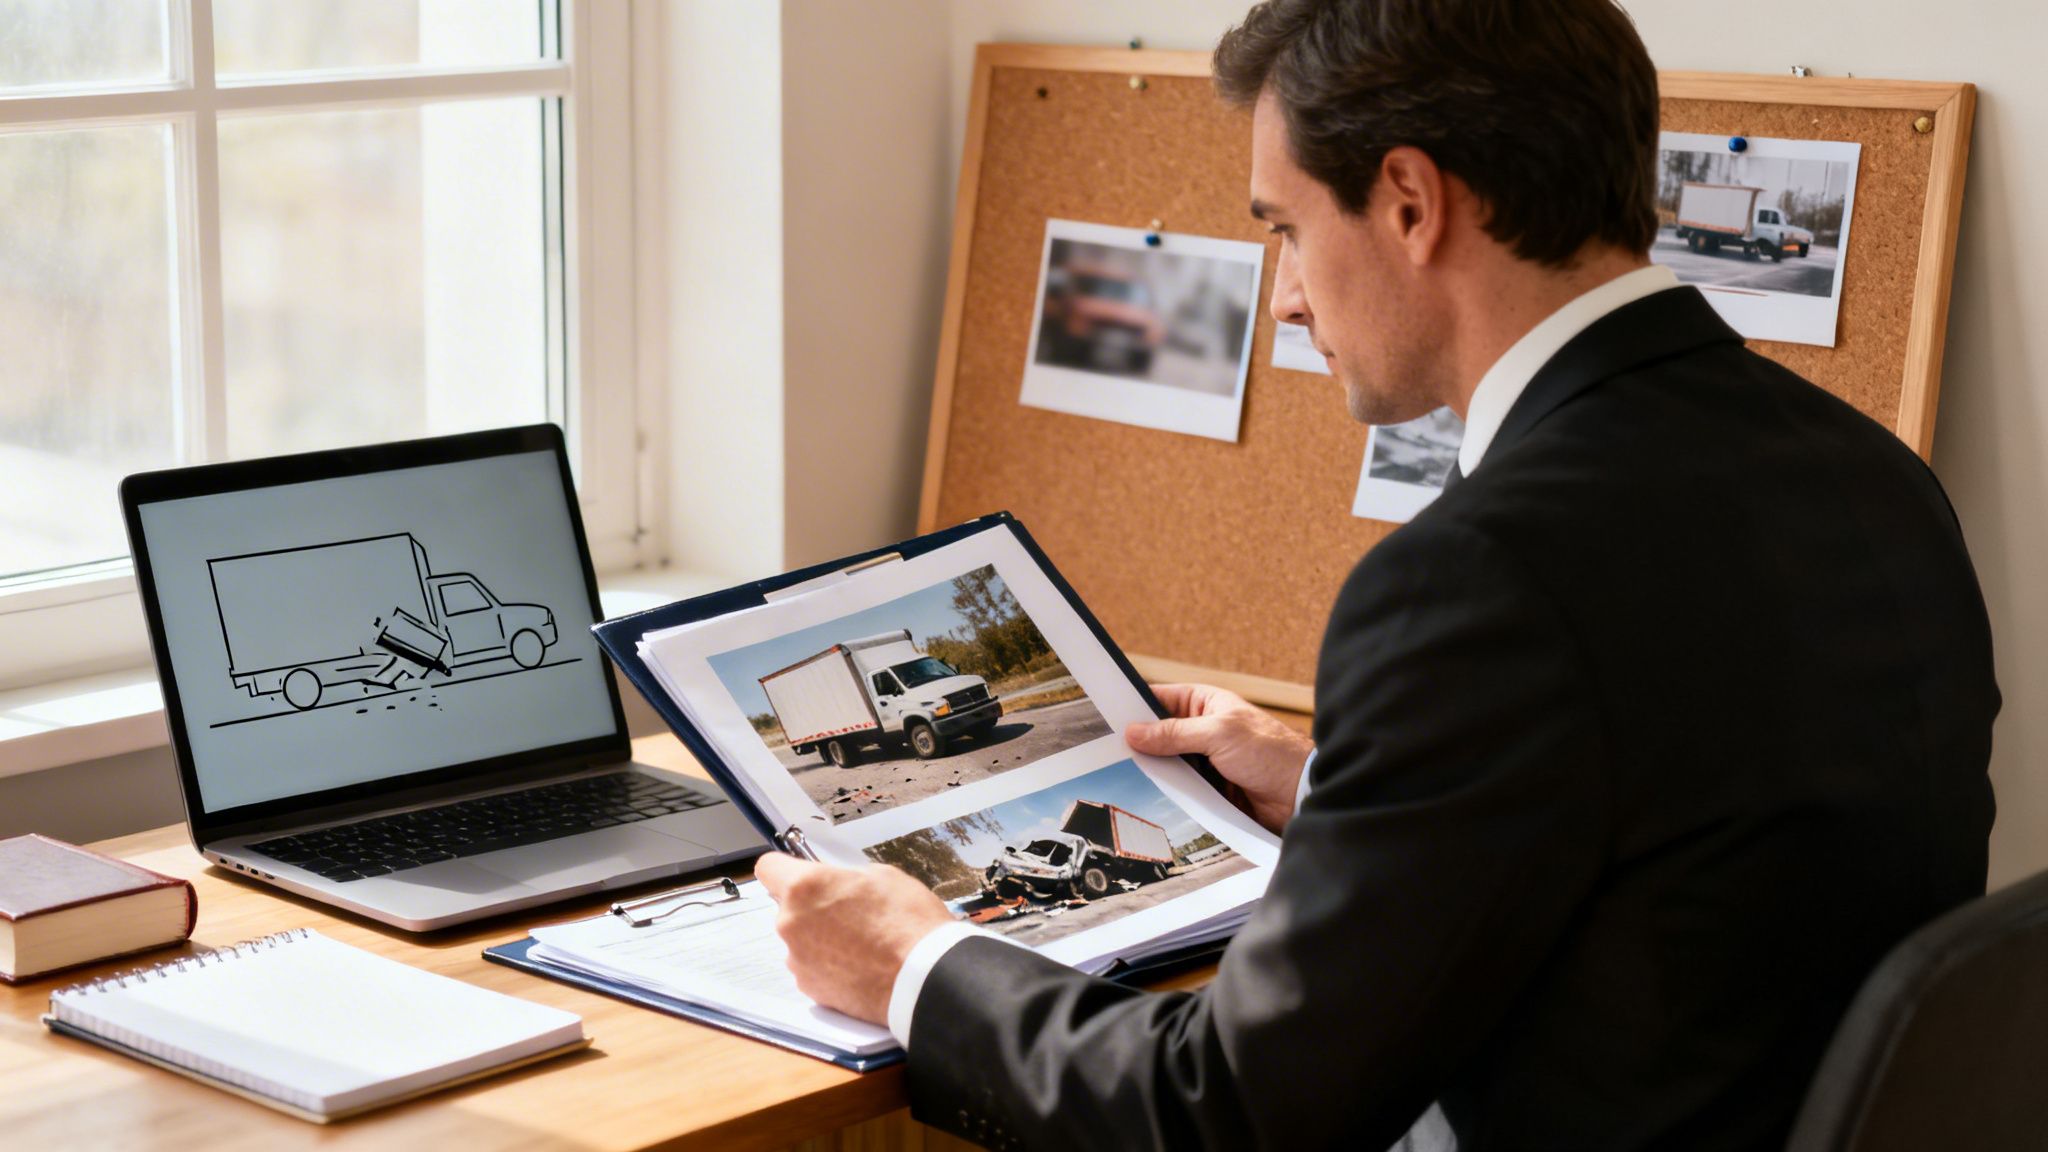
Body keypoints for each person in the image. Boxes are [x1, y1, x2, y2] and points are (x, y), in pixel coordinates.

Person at [753, 0, 2000, 1147]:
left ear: (1408, 201)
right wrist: (1338, 788)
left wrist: (915, 964)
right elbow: (1685, 846)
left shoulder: (1479, 576)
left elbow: (1224, 1117)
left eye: (1287, 230)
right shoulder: (1869, 475)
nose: (1285, 301)